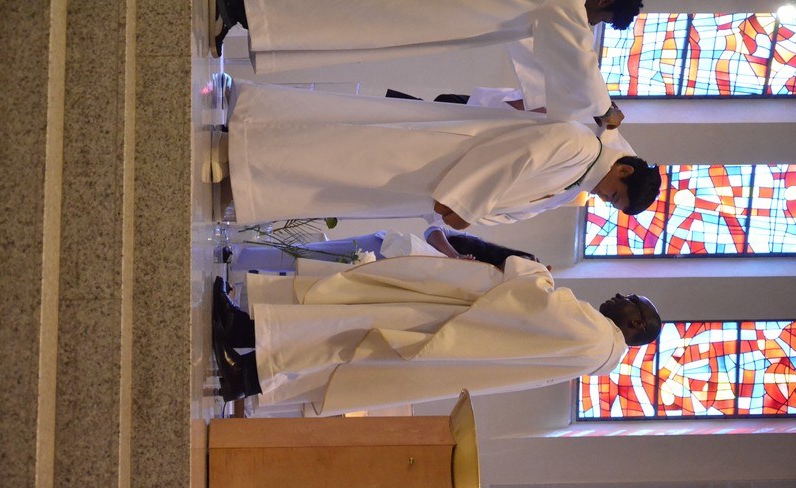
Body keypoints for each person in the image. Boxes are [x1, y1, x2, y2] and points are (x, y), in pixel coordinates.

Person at [211, 256, 661, 414]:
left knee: (344, 332)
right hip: (466, 331)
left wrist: (537, 271)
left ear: (635, 324)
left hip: (454, 326)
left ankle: (246, 374)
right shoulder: (598, 349)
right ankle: (243, 335)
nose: (620, 296)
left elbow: (539, 303)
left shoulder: (598, 337)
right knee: (343, 326)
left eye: (630, 300)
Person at [225, 79, 661, 227]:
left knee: (341, 180)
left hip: (435, 184)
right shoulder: (583, 143)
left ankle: (250, 172)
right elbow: (519, 156)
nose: (605, 199)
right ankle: (246, 148)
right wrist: (467, 202)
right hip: (441, 157)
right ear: (623, 170)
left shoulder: (575, 183)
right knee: (342, 153)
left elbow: (514, 211)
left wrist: (472, 210)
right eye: (615, 196)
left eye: (613, 204)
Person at [210, 0, 643, 128]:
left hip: (446, 16)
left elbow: (549, 52)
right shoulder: (566, 3)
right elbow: (576, 56)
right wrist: (603, 108)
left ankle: (246, 16)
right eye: (599, 17)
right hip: (438, 11)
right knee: (345, 15)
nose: (591, 23)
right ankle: (243, 9)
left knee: (347, 21)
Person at [232, 226, 540, 272]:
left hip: (389, 274)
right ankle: (241, 257)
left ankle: (244, 264)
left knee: (307, 271)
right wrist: (454, 256)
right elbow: (433, 230)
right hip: (387, 249)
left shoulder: (488, 287)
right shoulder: (477, 250)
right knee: (311, 253)